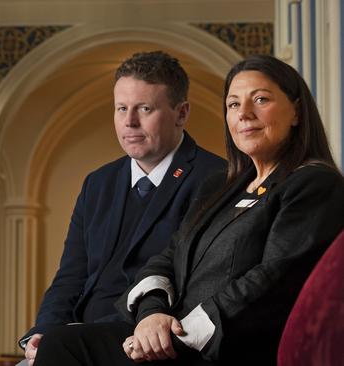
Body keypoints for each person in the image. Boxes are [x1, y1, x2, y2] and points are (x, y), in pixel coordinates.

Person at [32, 55, 344, 365]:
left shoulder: (313, 183)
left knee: (65, 348)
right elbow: (166, 260)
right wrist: (151, 315)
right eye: (234, 104)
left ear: (297, 112)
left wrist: (179, 334)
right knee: (59, 343)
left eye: (260, 100)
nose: (244, 114)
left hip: (220, 346)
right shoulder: (222, 185)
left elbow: (273, 281)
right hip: (170, 339)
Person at [19, 51, 226, 365]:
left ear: (181, 113)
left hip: (144, 339)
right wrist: (43, 331)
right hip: (74, 339)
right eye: (121, 108)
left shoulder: (215, 179)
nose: (129, 121)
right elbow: (71, 277)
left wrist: (71, 336)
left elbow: (189, 287)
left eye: (144, 108)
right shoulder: (98, 183)